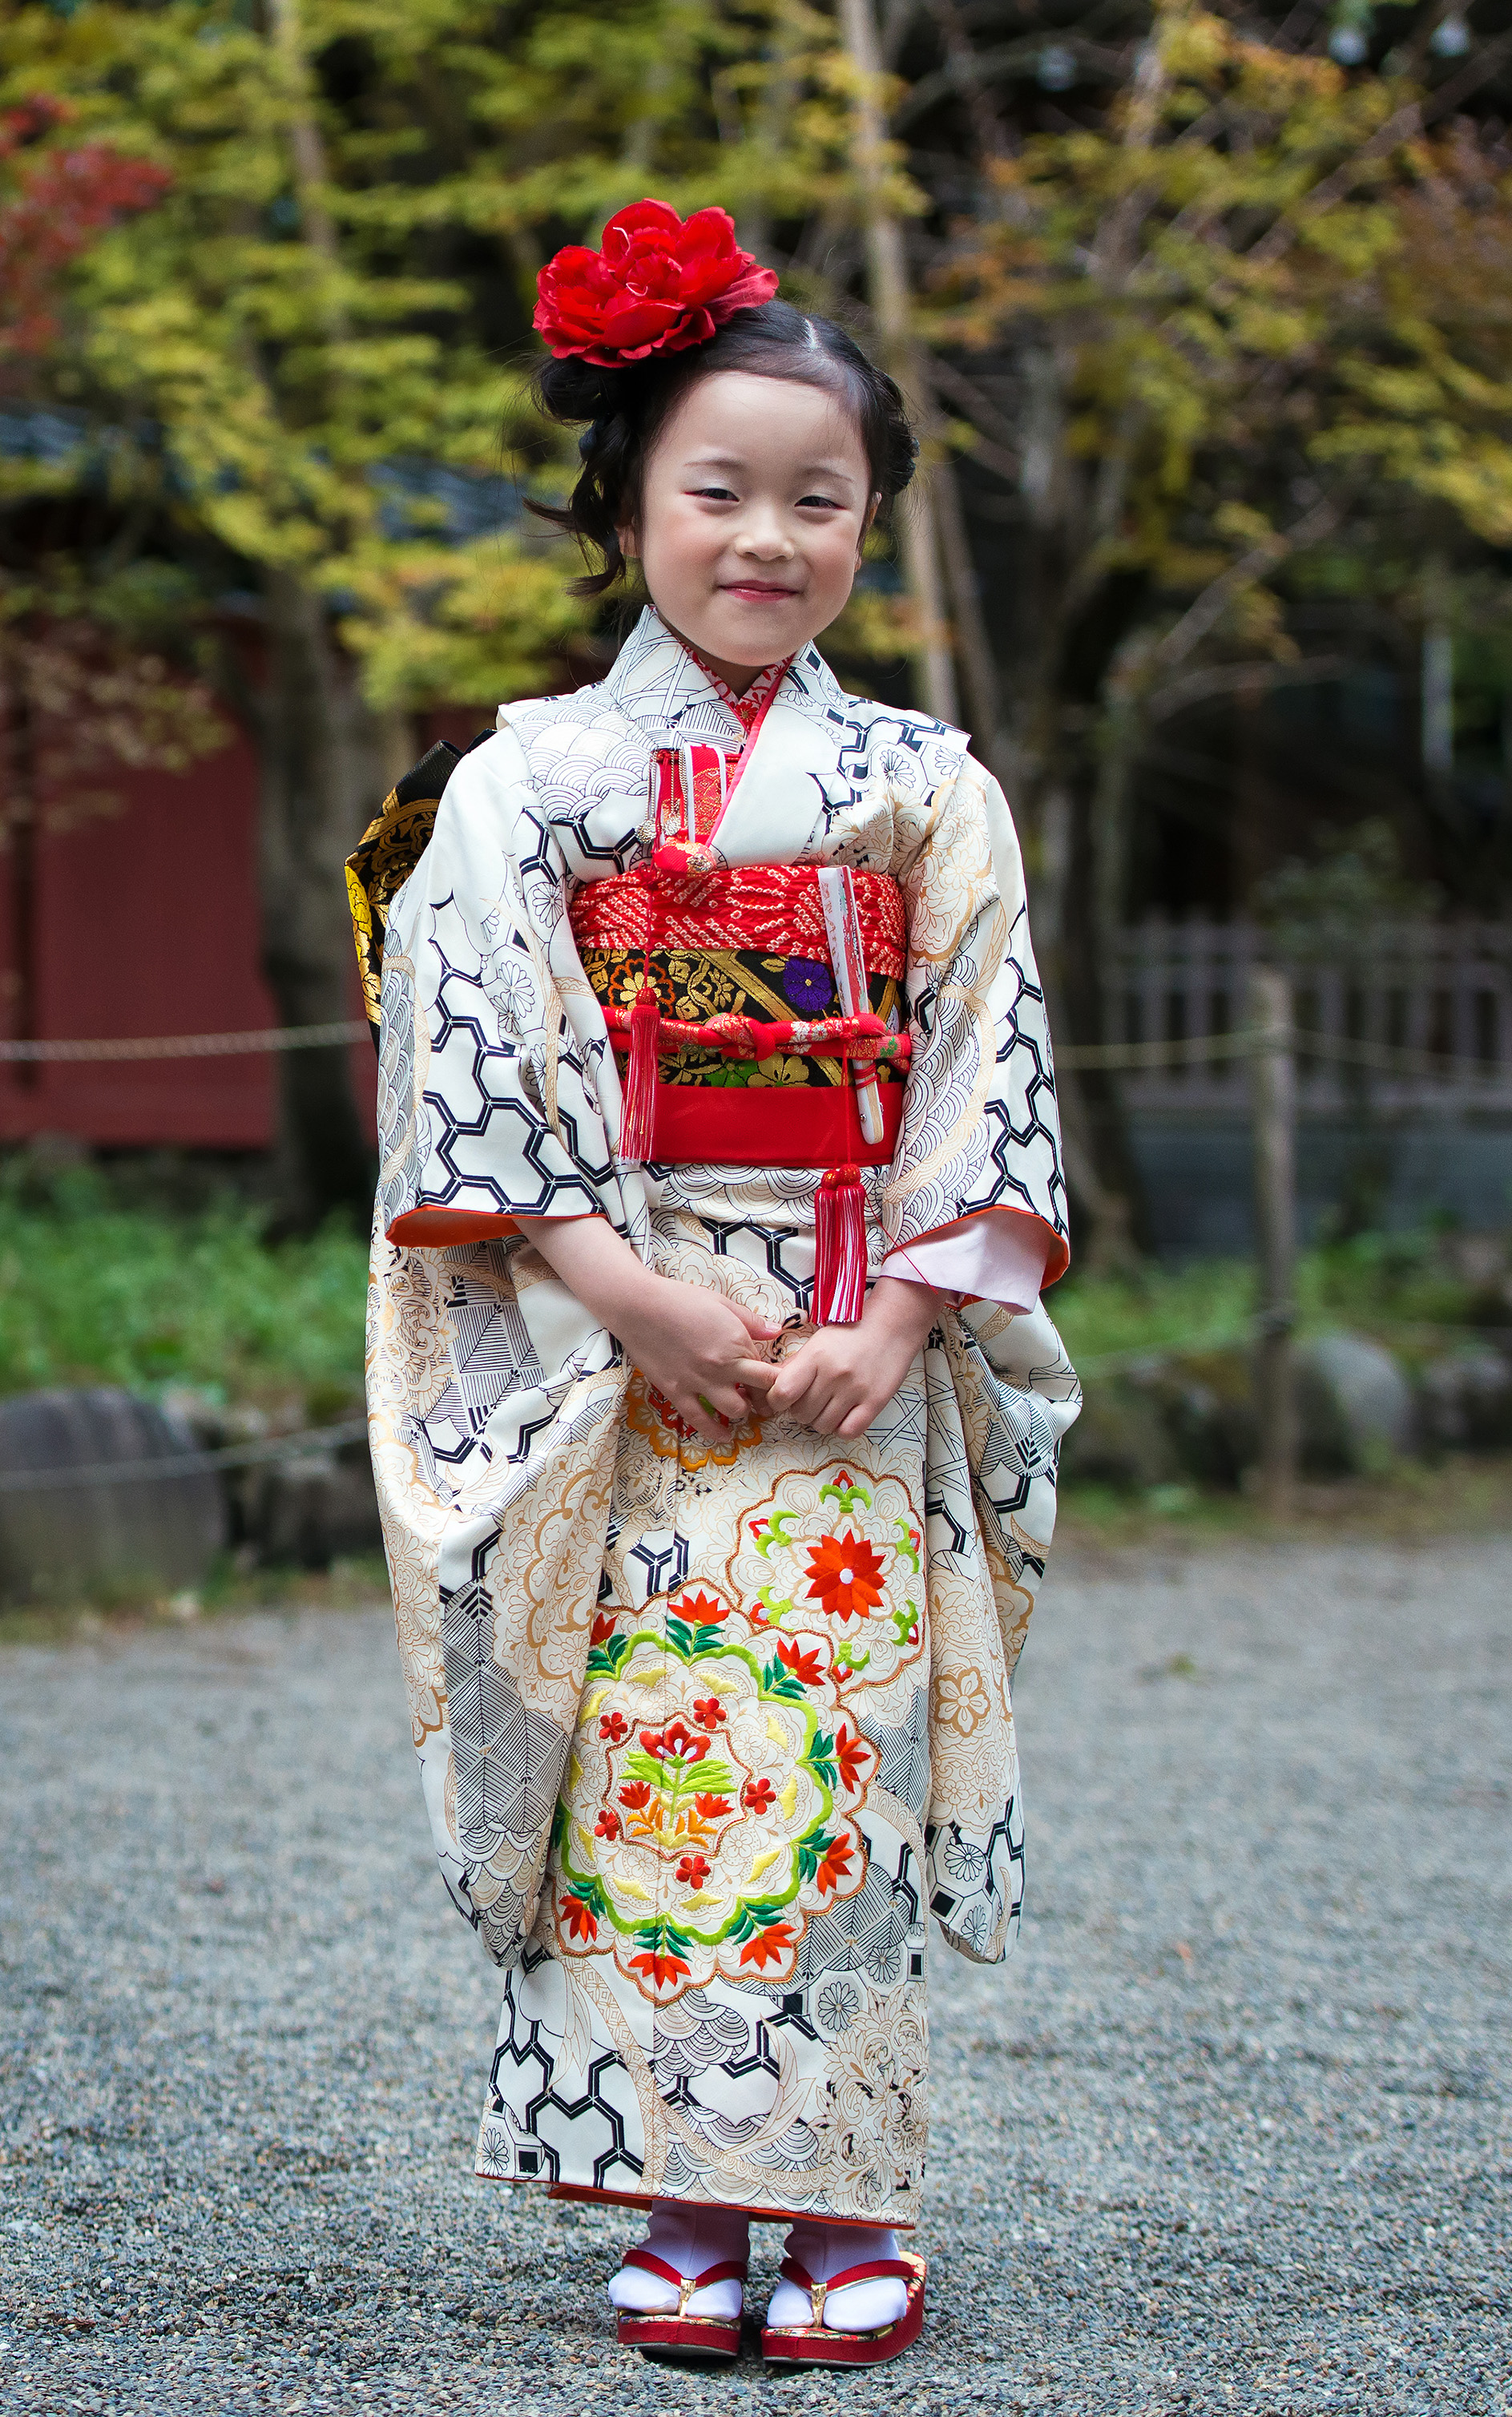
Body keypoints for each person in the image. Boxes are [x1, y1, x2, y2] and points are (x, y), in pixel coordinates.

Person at [356, 198, 1081, 2368]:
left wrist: (899, 1313)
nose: (765, 537)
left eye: (817, 497)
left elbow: (981, 1057)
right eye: (718, 490)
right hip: (623, 1349)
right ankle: (679, 2190)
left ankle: (847, 2196)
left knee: (829, 1760)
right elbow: (460, 1056)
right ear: (631, 505)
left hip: (851, 1341)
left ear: (871, 524)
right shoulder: (526, 782)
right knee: (651, 1766)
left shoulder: (918, 787)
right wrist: (616, 1281)